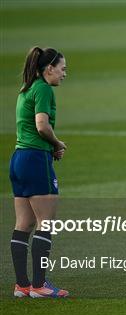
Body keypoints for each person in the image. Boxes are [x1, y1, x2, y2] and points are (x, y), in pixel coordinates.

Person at [9, 46, 69, 298]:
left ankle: (22, 285)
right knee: (46, 223)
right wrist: (57, 144)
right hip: (36, 160)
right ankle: (40, 285)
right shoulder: (43, 88)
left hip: (18, 159)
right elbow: (42, 125)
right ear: (49, 69)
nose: (65, 74)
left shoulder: (26, 89)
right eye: (62, 69)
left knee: (23, 224)